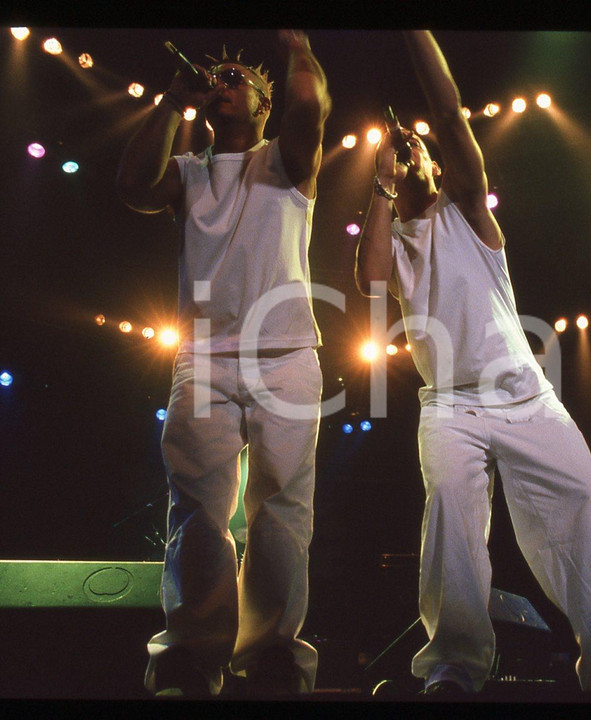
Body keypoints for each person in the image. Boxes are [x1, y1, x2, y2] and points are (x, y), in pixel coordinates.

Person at [354, 30, 591, 696]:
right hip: (449, 405)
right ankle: (454, 670)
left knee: (579, 502)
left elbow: (450, 109)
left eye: (422, 153)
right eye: (407, 158)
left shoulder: (468, 214)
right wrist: (381, 181)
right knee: (453, 527)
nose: (417, 157)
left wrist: (414, 34)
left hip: (525, 397)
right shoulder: (396, 235)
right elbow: (371, 280)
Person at [116, 30, 331, 697]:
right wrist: (172, 101)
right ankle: (190, 655)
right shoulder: (188, 170)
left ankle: (271, 656)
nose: (225, 81)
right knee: (199, 509)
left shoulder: (287, 158)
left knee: (282, 511)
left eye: (240, 77)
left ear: (264, 104)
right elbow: (131, 187)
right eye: (220, 77)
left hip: (287, 354)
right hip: (204, 356)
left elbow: (312, 105)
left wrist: (297, 44)